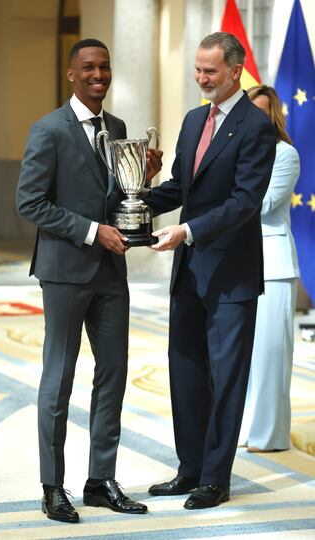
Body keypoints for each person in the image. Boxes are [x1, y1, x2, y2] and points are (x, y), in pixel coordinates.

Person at [16, 38, 162, 523]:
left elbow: (118, 196)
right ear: (71, 74)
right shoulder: (48, 130)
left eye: (105, 67)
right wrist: (89, 230)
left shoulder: (117, 128)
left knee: (113, 374)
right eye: (89, 68)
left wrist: (145, 176)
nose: (99, 75)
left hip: (110, 274)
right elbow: (30, 203)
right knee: (58, 379)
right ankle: (52, 486)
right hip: (64, 271)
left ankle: (100, 480)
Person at [145, 32, 276, 509]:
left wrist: (187, 232)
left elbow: (244, 202)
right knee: (185, 371)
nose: (201, 79)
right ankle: (190, 469)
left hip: (231, 277)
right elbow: (181, 186)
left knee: (226, 378)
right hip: (189, 272)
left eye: (210, 71)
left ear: (235, 70)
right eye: (198, 70)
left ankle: (215, 479)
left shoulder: (256, 126)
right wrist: (130, 204)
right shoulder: (193, 118)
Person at [238, 85, 300, 452]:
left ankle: (269, 435)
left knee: (271, 354)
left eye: (261, 113)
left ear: (272, 116)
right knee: (243, 354)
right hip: (240, 261)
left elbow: (263, 204)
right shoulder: (238, 153)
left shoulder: (284, 154)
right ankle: (245, 429)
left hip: (273, 265)